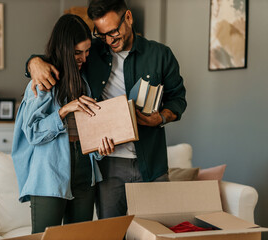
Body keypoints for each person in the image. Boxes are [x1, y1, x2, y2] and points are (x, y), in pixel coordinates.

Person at [25, 0, 187, 219]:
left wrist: (160, 118)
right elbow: (61, 56)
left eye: (113, 32)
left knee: (157, 230)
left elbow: (177, 99)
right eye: (101, 35)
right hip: (108, 164)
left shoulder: (160, 55)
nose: (109, 40)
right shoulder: (92, 52)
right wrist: (32, 62)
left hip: (152, 162)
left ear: (128, 18)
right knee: (110, 233)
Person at [11, 14, 115, 234]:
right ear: (64, 49)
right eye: (78, 53)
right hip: (49, 172)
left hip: (85, 171)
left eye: (87, 52)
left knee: (78, 237)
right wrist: (65, 110)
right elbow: (33, 133)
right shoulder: (42, 83)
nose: (84, 58)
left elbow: (89, 130)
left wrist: (101, 149)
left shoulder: (84, 81)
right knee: (44, 238)